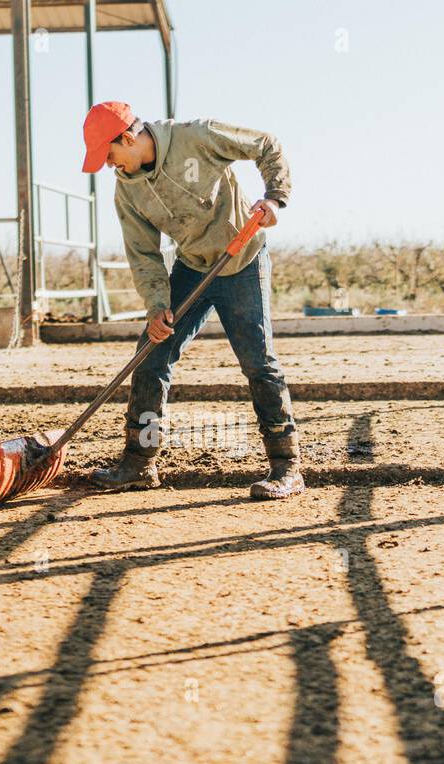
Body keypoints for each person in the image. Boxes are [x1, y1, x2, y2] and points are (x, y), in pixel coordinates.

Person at [80, 100, 304, 501]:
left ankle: (286, 468)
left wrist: (274, 198)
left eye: (111, 156)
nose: (113, 166)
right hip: (193, 267)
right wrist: (156, 306)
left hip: (243, 261)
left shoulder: (196, 137)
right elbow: (142, 253)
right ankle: (139, 461)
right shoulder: (127, 191)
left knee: (258, 362)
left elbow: (266, 144)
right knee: (152, 354)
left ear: (128, 138)